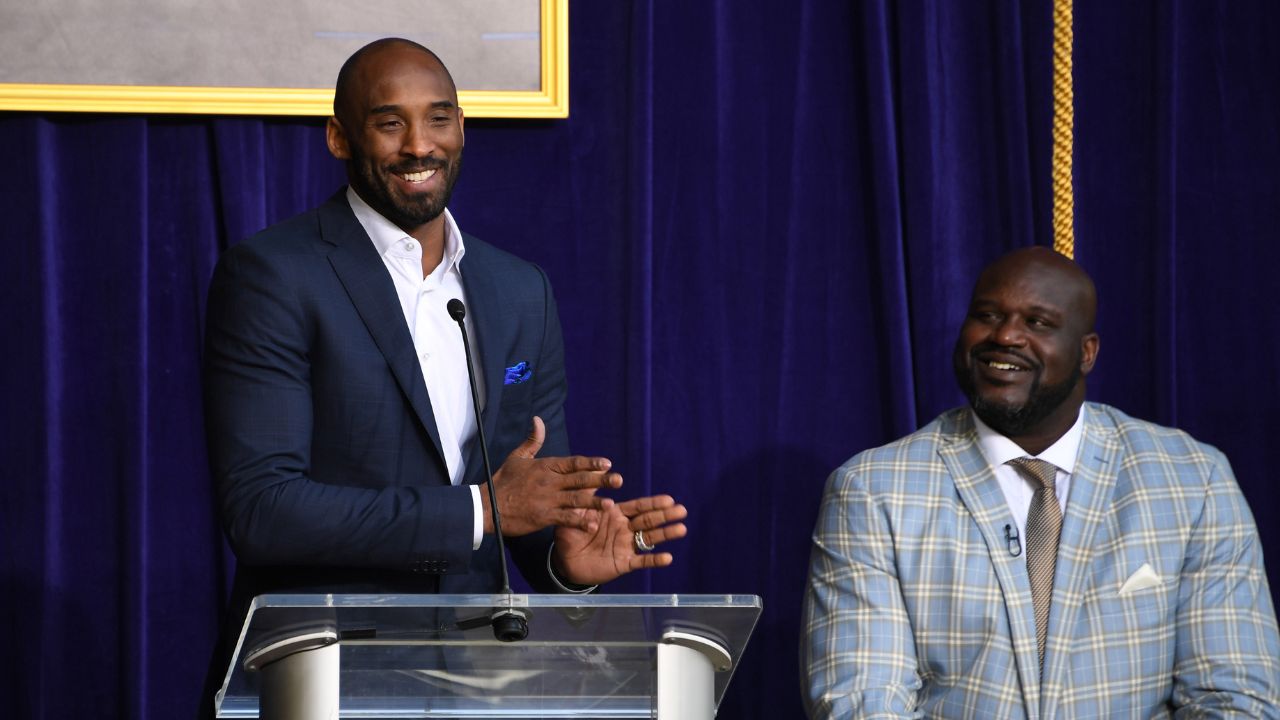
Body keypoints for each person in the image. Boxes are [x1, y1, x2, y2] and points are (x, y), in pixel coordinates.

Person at [201, 38, 686, 712]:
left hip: (480, 683)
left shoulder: (519, 290)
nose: (419, 146)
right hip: (320, 679)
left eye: (439, 118)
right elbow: (264, 511)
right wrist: (483, 509)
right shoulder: (275, 276)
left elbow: (530, 494)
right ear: (340, 138)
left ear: (462, 129)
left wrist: (565, 564)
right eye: (389, 122)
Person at [801, 247, 1280, 718]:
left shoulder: (1192, 480)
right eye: (987, 315)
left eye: (1038, 323)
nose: (1006, 336)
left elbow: (1233, 697)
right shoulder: (873, 490)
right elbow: (863, 702)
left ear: (1086, 353)